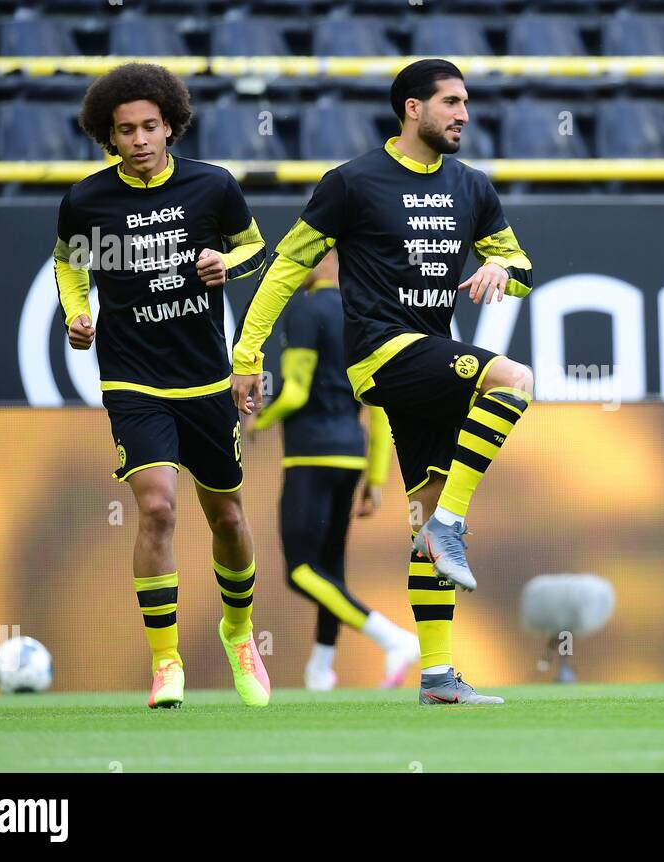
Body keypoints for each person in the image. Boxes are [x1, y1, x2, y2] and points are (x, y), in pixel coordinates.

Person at [230, 59, 534, 706]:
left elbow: (521, 262)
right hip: (378, 350)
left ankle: (436, 677)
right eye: (451, 101)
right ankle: (450, 523)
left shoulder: (473, 187)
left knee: (421, 507)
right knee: (514, 379)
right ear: (411, 108)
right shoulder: (353, 183)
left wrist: (504, 269)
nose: (464, 114)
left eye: (467, 102)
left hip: (428, 359)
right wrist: (247, 354)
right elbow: (286, 267)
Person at [55, 63, 271, 708]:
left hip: (206, 378)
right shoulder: (87, 201)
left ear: (171, 126)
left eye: (151, 126)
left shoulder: (213, 188)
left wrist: (223, 264)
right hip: (131, 378)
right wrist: (76, 313)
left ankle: (238, 632)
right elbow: (69, 266)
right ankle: (166, 661)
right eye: (126, 130)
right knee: (157, 507)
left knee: (227, 514)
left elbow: (257, 250)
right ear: (108, 137)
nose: (141, 139)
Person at [248, 249, 420, 690]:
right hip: (351, 459)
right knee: (330, 569)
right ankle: (320, 670)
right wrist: (377, 478)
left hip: (311, 456)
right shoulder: (365, 317)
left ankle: (392, 637)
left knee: (301, 570)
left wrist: (257, 421)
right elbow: (381, 405)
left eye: (304, 257)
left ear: (325, 261)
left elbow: (296, 391)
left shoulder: (305, 311)